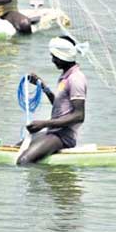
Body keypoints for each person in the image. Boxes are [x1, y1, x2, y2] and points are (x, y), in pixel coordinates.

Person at [17, 36, 88, 165]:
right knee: (17, 147)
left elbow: (79, 116)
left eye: (54, 56)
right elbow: (61, 108)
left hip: (63, 137)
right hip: (54, 133)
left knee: (23, 160)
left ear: (63, 56)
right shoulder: (65, 76)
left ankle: (39, 185)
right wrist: (44, 87)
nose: (53, 60)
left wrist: (44, 124)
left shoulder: (76, 78)